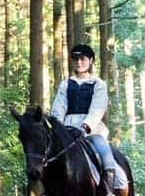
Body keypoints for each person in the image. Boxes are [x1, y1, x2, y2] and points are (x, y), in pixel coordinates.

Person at [50, 43, 128, 195]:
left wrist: (85, 126)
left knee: (106, 156)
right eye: (76, 59)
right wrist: (58, 127)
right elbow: (59, 107)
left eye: (83, 59)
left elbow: (98, 108)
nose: (79, 62)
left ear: (91, 60)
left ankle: (108, 190)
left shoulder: (98, 84)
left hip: (92, 131)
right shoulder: (66, 84)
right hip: (67, 129)